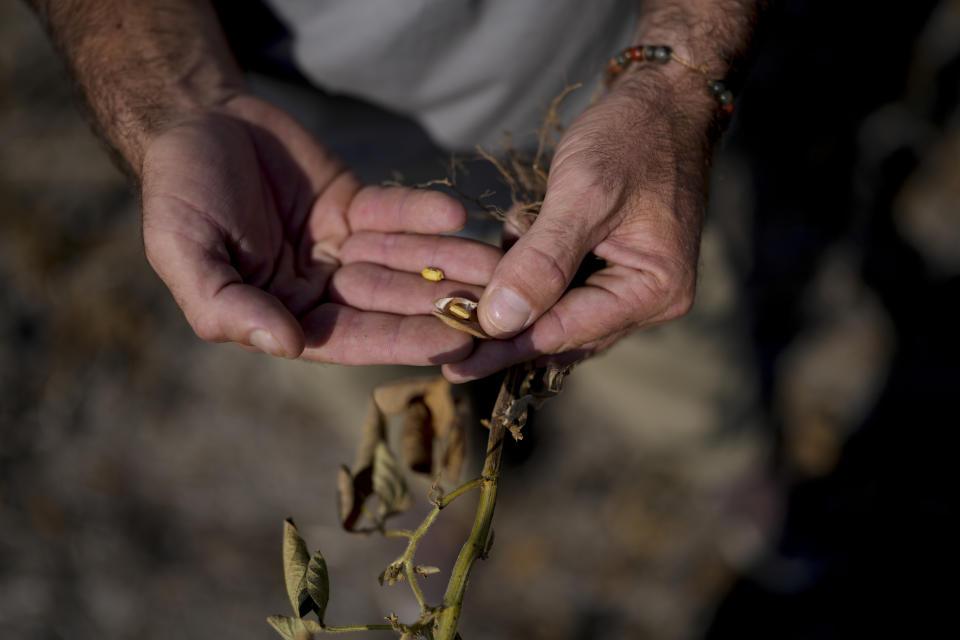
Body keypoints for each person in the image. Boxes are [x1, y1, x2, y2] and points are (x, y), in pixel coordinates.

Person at [25, 0, 762, 382]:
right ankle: (419, 491)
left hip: (611, 94)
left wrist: (677, 81)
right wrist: (177, 104)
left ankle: (722, 462)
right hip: (292, 184)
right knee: (364, 368)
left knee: (668, 347)